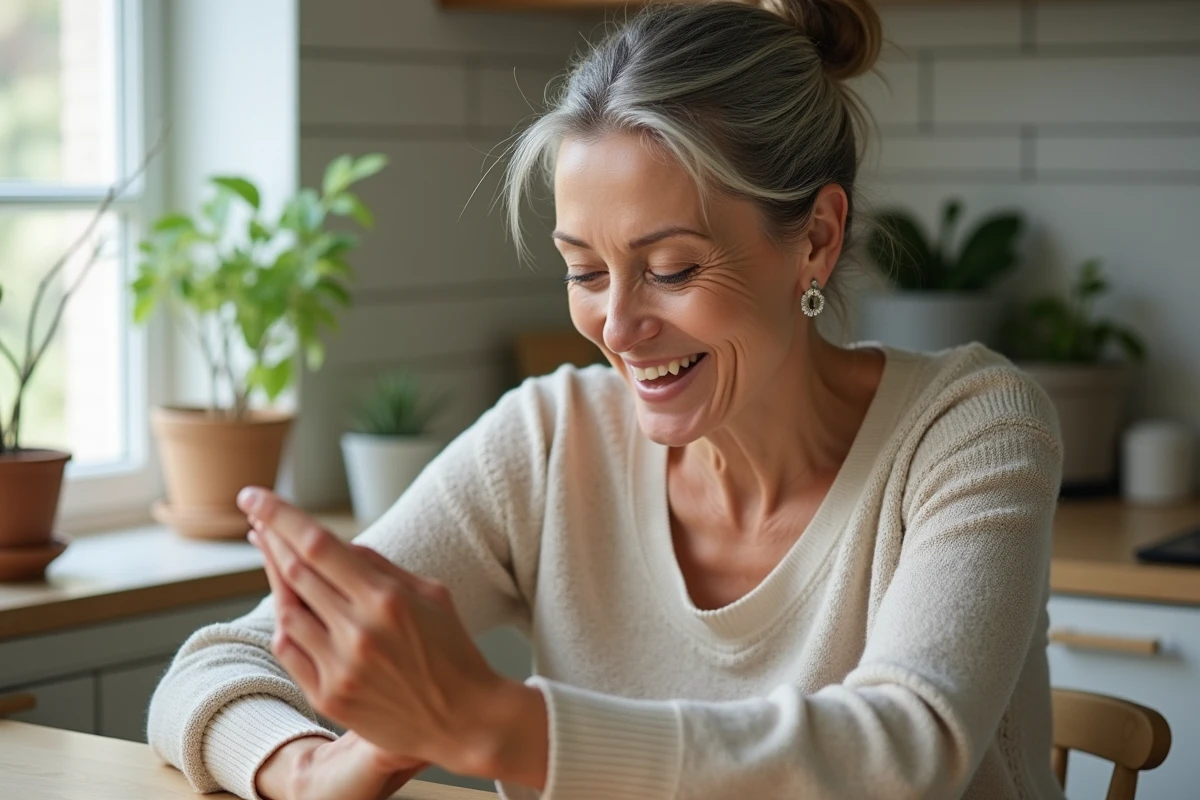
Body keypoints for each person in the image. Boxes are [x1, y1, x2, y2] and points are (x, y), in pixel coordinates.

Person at [148, 2, 1067, 798]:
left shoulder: (968, 429)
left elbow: (905, 755)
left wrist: (493, 727)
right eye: (584, 271)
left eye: (670, 269)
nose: (618, 325)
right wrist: (311, 769)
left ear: (816, 240)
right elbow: (214, 669)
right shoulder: (552, 442)